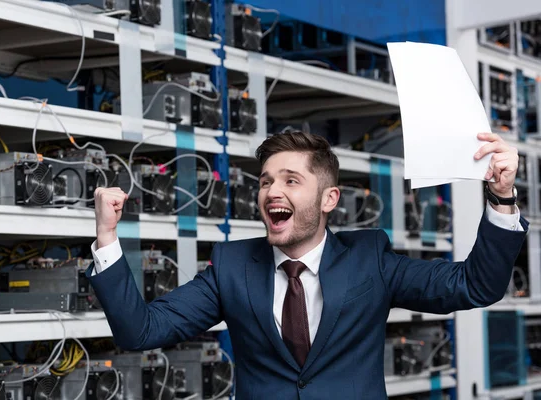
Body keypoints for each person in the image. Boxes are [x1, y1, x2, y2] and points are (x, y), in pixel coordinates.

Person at [87, 129, 528, 400]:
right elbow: (139, 330)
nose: (271, 192)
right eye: (265, 182)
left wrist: (502, 197)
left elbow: (476, 286)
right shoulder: (231, 267)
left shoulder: (370, 260)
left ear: (329, 199)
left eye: (291, 181)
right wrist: (107, 237)